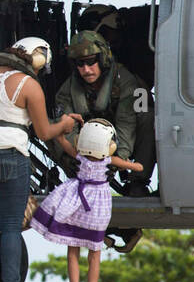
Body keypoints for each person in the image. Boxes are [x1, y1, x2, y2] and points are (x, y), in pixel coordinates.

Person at [0, 37, 82, 282]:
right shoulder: (29, 85)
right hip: (8, 155)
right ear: (37, 58)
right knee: (9, 227)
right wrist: (64, 124)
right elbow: (43, 133)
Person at [31, 119, 143, 282]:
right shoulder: (109, 160)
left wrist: (60, 134)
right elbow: (136, 167)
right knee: (94, 254)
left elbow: (63, 143)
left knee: (73, 250)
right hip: (98, 210)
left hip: (76, 205)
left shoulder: (79, 156)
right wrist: (136, 166)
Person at [52, 30, 156, 197]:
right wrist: (80, 159)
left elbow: (126, 123)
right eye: (80, 64)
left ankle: (138, 181)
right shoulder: (68, 90)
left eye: (91, 61)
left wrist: (116, 161)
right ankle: (80, 178)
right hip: (86, 148)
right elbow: (64, 127)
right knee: (53, 127)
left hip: (120, 141)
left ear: (102, 59)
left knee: (147, 117)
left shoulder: (125, 81)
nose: (86, 70)